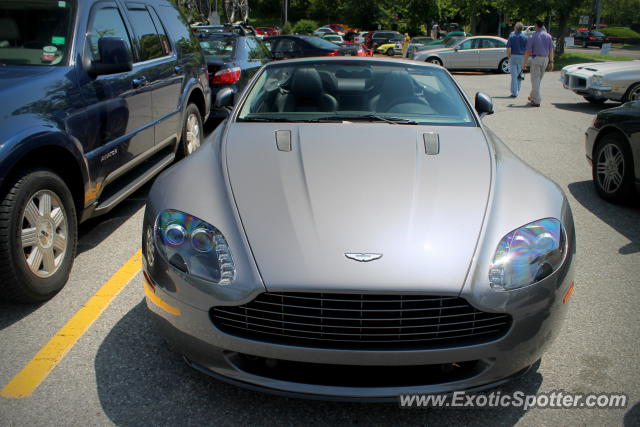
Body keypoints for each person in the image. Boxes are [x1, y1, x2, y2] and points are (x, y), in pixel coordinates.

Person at [523, 19, 554, 107]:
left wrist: (524, 63)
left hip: (536, 58)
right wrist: (551, 61)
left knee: (535, 79)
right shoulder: (548, 36)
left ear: (536, 25)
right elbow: (551, 49)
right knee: (538, 79)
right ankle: (533, 96)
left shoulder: (533, 36)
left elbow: (528, 51)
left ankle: (537, 100)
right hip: (545, 59)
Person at [506, 22, 528, 98]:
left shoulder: (512, 37)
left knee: (514, 75)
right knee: (519, 75)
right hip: (522, 57)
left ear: (516, 28)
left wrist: (509, 56)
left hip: (513, 56)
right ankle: (518, 89)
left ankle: (514, 92)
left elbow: (508, 48)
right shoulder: (525, 37)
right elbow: (527, 49)